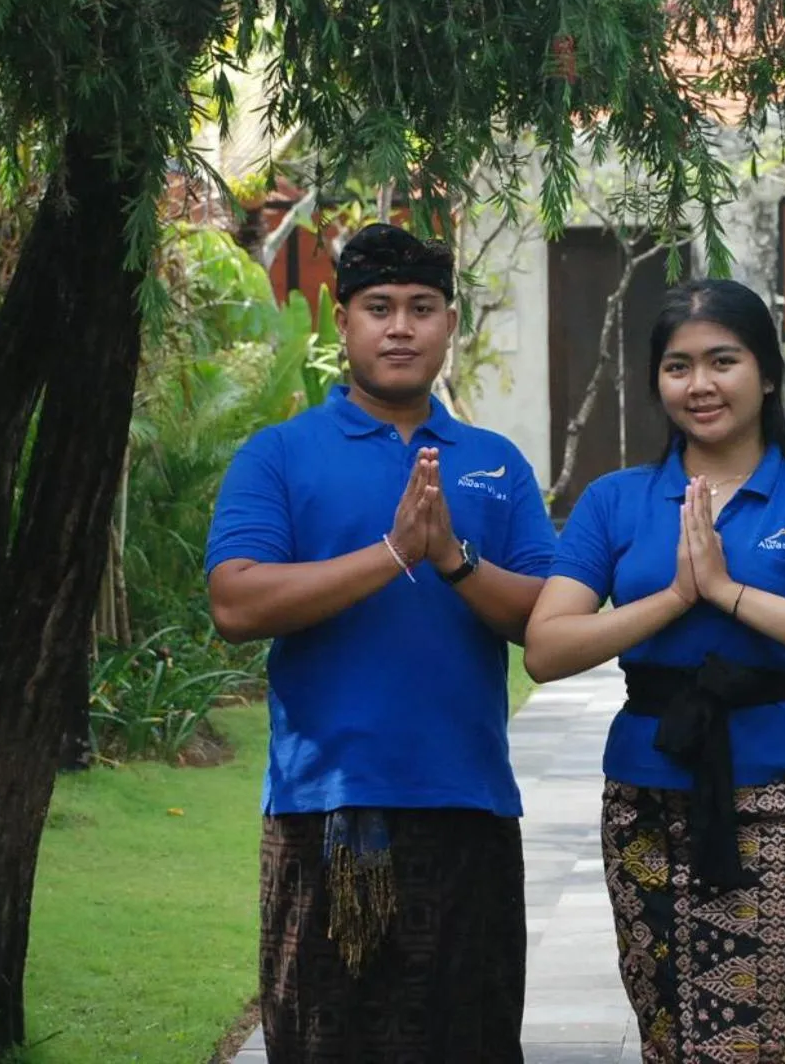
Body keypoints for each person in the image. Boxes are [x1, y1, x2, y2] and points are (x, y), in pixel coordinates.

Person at [205, 222, 554, 1064]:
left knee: (469, 1043)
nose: (401, 327)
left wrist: (453, 560)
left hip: (467, 809)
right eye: (379, 307)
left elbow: (545, 620)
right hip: (327, 813)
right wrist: (393, 553)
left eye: (422, 308)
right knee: (326, 1044)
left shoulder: (494, 463)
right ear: (343, 321)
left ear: (448, 323)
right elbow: (236, 600)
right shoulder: (280, 454)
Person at [524, 277, 785, 1062]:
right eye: (678, 366)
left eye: (723, 360)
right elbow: (548, 647)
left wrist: (727, 593)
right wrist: (675, 597)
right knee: (670, 1037)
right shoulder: (615, 500)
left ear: (767, 373)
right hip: (643, 800)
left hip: (781, 803)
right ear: (658, 381)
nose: (700, 384)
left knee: (750, 1046)